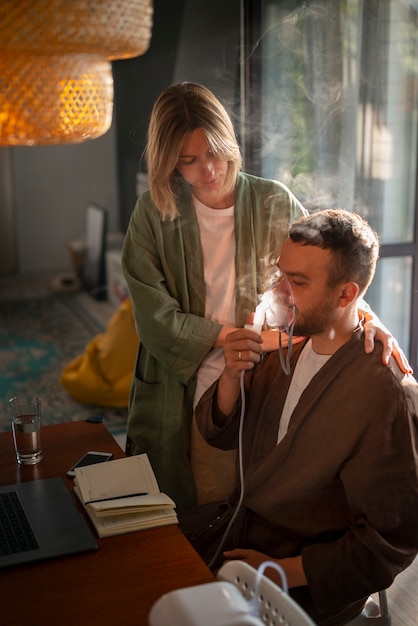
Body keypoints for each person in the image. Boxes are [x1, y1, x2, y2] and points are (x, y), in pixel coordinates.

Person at [122, 81, 410, 510]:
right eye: (189, 161)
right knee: (189, 506)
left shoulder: (272, 200)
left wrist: (371, 321)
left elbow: (328, 273)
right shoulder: (152, 214)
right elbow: (153, 318)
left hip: (261, 377)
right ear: (169, 162)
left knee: (256, 498)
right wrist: (229, 338)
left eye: (216, 153)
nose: (209, 170)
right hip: (184, 384)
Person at [194, 209, 418, 625]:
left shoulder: (384, 393)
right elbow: (220, 434)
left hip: (301, 583)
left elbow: (391, 540)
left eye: (296, 282)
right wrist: (230, 376)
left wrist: (284, 571)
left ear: (346, 295)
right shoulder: (286, 346)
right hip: (235, 537)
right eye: (281, 275)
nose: (279, 291)